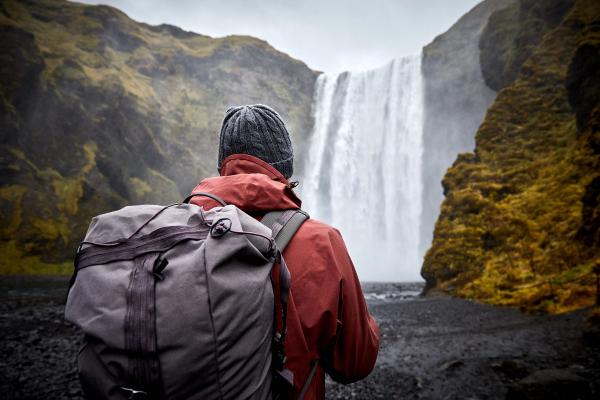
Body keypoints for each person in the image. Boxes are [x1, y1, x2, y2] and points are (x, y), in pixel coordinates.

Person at [189, 104, 380, 399]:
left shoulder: (177, 233)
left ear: (222, 169)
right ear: (285, 170)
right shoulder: (321, 241)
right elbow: (355, 362)